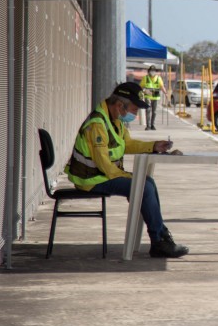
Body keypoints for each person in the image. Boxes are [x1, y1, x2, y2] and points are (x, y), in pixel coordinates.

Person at [64, 82, 189, 258]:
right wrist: (130, 177)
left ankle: (160, 238)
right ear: (119, 105)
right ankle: (159, 240)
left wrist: (154, 146)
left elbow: (127, 144)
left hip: (102, 176)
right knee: (143, 186)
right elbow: (104, 164)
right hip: (91, 180)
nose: (136, 114)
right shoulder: (97, 124)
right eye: (134, 109)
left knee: (147, 183)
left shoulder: (115, 120)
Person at [140, 65, 166, 130]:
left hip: (155, 96)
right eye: (151, 71)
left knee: (154, 112)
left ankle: (152, 125)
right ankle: (148, 126)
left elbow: (162, 86)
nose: (152, 72)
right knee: (148, 110)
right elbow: (141, 86)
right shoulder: (145, 78)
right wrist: (141, 92)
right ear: (149, 71)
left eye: (153, 71)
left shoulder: (158, 78)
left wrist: (166, 93)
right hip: (147, 95)